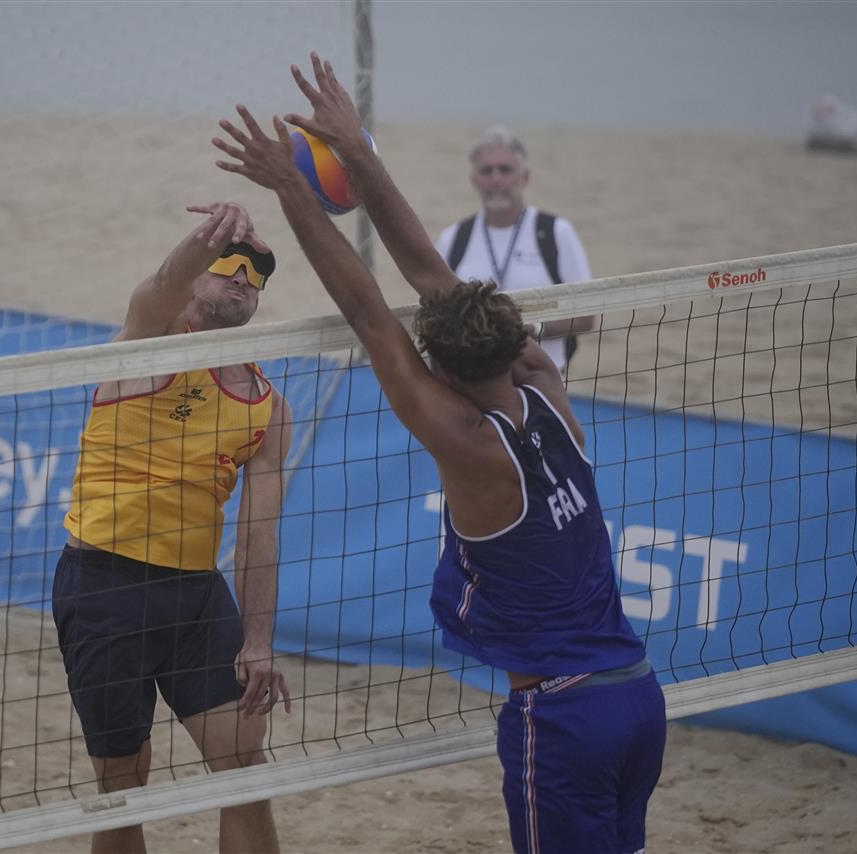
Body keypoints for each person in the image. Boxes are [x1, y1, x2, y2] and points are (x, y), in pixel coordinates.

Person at [212, 55, 665, 854]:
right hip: (637, 697)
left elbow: (369, 310)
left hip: (563, 717)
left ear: (448, 373)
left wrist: (293, 188)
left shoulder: (468, 445)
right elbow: (428, 275)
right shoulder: (545, 386)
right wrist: (358, 152)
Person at [53, 201, 293, 854]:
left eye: (260, 269)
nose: (246, 274)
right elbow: (161, 282)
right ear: (199, 273)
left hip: (194, 597)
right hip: (105, 586)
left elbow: (260, 534)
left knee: (244, 765)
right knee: (125, 784)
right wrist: (210, 233)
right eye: (231, 262)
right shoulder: (150, 339)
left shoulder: (267, 407)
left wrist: (260, 640)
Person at [435, 125, 596, 376]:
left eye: (505, 169)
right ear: (474, 180)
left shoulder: (556, 233)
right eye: (487, 171)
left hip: (543, 380)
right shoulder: (454, 238)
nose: (496, 179)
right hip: (474, 383)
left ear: (525, 176)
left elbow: (586, 317)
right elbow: (437, 315)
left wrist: (535, 329)